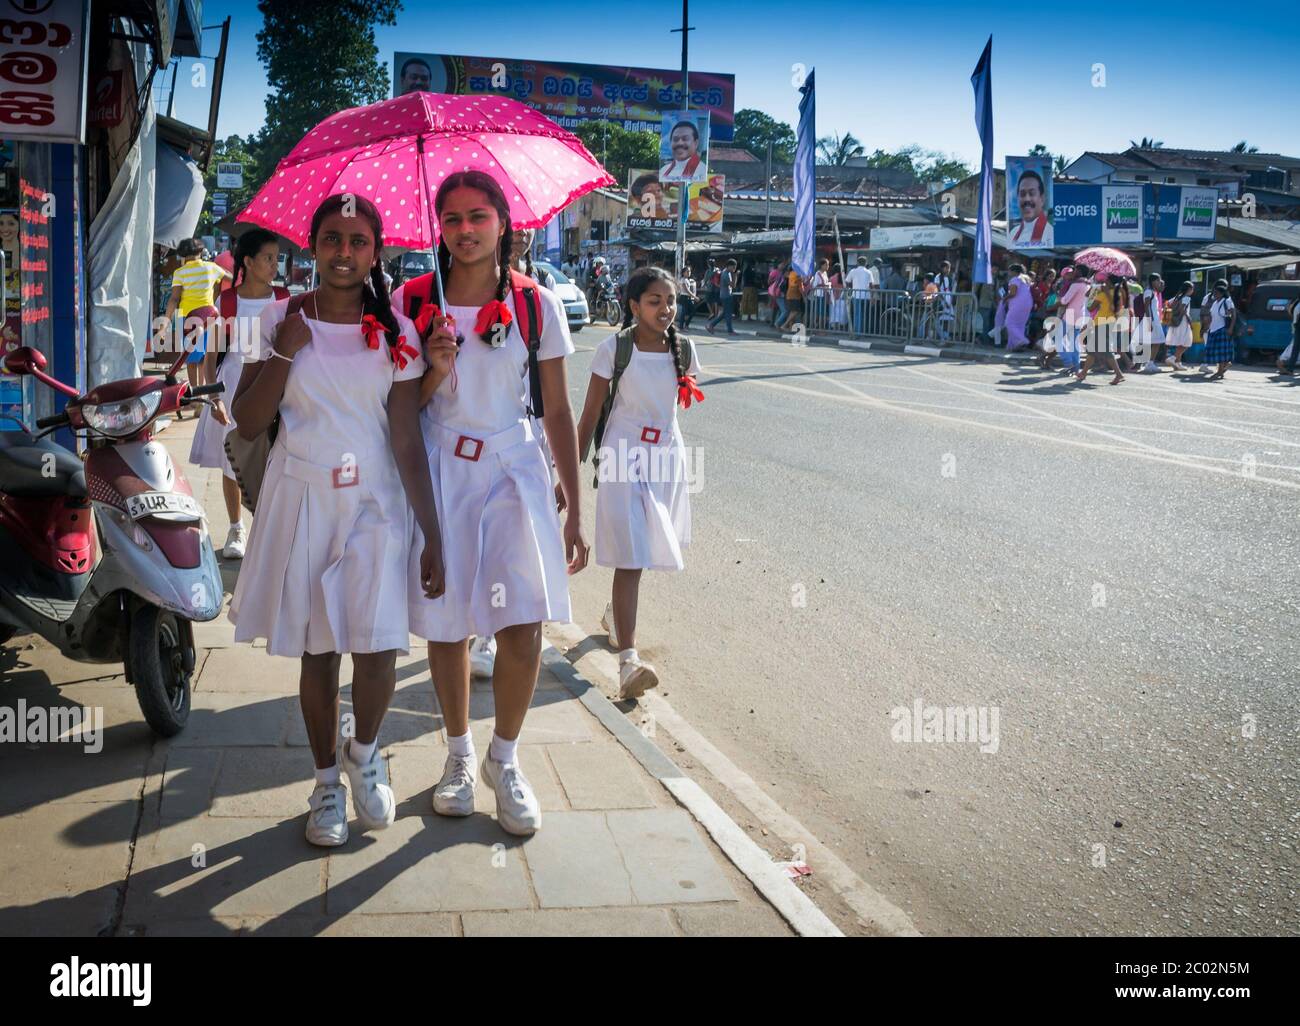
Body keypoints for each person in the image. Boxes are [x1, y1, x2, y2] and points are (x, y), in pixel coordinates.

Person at [228, 195, 441, 847]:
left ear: (376, 251)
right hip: (305, 501)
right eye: (330, 239)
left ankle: (366, 750)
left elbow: (405, 436)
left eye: (356, 240)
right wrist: (287, 352)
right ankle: (325, 784)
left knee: (377, 646)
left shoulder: (398, 332)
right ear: (312, 246)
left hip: (377, 503)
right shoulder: (279, 318)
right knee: (319, 650)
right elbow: (246, 419)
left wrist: (433, 531)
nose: (343, 252)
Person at [397, 170, 587, 837]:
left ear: (503, 223)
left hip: (514, 471)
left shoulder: (537, 304)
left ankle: (504, 759)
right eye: (451, 219)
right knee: (447, 623)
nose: (466, 230)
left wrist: (577, 510)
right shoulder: (414, 300)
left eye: (479, 216)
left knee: (522, 623)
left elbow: (558, 409)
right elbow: (393, 411)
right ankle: (457, 754)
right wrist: (433, 370)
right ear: (437, 228)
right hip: (442, 471)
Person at [575, 267, 703, 699]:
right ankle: (628, 663)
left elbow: (675, 404)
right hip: (621, 453)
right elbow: (590, 414)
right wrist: (567, 477)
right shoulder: (614, 348)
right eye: (654, 301)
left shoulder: (683, 350)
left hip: (666, 455)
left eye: (670, 301)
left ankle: (615, 617)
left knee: (643, 550)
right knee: (629, 557)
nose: (666, 309)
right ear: (634, 306)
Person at [188, 228, 286, 559]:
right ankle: (235, 528)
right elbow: (212, 354)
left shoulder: (284, 299)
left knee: (272, 458)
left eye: (277, 258)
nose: (275, 265)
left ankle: (265, 528)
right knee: (232, 460)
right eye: (268, 258)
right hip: (231, 387)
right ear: (248, 261)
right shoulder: (228, 300)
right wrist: (213, 396)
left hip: (273, 390)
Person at [164, 239, 231, 400]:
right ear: (201, 252)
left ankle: (195, 398)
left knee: (191, 359)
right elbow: (231, 278)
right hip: (209, 318)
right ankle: (204, 395)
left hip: (188, 318)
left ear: (182, 255)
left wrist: (166, 320)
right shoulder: (212, 268)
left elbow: (174, 298)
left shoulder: (180, 273)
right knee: (204, 358)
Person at [1076, 271, 1124, 385]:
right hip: (1109, 322)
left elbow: (1090, 308)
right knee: (1092, 349)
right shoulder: (1118, 294)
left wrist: (1094, 292)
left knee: (1106, 349)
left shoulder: (1103, 294)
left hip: (1102, 322)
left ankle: (1119, 374)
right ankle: (1083, 372)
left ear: (1108, 281)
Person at [1055, 264, 1092, 373]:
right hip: (1081, 314)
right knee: (1074, 342)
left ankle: (1068, 362)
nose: (1073, 272)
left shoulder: (1076, 284)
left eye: (1075, 270)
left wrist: (1059, 297)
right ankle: (1076, 367)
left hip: (1071, 314)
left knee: (1057, 338)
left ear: (1079, 272)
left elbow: (1065, 300)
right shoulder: (1088, 284)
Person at [1009, 169, 1054, 247]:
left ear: (1042, 199)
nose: (1027, 199)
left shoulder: (1050, 234)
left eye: (1032, 193)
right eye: (1022, 194)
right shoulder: (1013, 233)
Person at [1203, 281, 1237, 380]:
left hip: (1222, 329)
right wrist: (1206, 326)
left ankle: (1220, 372)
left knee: (1221, 353)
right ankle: (1222, 369)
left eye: (1216, 293)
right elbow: (1211, 316)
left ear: (1222, 293)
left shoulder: (1227, 301)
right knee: (1217, 352)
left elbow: (1233, 315)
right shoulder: (1215, 303)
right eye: (1214, 293)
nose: (1214, 295)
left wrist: (1230, 328)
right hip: (1213, 330)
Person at [1163, 281, 1195, 370]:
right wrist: (1189, 319)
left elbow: (1166, 304)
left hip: (1175, 321)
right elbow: (1183, 309)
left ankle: (1178, 363)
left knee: (1181, 343)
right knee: (1187, 342)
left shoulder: (1176, 297)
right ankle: (1173, 358)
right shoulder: (1187, 298)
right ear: (1189, 289)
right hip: (1183, 322)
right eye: (1192, 288)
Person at [1137, 274, 1165, 373]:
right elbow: (1146, 307)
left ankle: (1149, 362)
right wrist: (1149, 321)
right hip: (1152, 320)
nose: (1159, 283)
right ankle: (1148, 363)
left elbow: (1161, 289)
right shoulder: (1148, 291)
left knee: (1154, 341)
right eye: (1158, 281)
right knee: (1155, 341)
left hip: (1155, 319)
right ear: (1153, 281)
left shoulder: (1153, 292)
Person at [1003, 263, 1033, 351]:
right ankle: (1013, 346)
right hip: (1027, 303)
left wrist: (1005, 298)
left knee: (1009, 322)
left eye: (1009, 271)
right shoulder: (1026, 279)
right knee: (1020, 325)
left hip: (1018, 304)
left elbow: (1013, 293)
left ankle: (1022, 340)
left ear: (1014, 271)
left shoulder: (1015, 279)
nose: (1008, 272)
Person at [707, 259, 739, 334]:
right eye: (733, 267)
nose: (734, 269)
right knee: (728, 314)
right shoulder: (726, 274)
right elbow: (733, 285)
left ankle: (711, 325)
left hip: (724, 295)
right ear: (729, 266)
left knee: (724, 313)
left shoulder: (725, 272)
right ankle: (730, 330)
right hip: (726, 296)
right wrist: (736, 275)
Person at [845, 256, 873, 335]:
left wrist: (852, 287)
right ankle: (862, 332)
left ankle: (856, 332)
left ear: (857, 263)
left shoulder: (853, 271)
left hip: (856, 295)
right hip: (866, 296)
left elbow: (847, 281)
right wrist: (872, 296)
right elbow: (871, 285)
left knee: (857, 314)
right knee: (864, 315)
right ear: (866, 263)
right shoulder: (868, 272)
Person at [780, 263, 805, 331]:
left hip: (789, 294)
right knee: (795, 311)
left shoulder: (791, 273)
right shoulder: (798, 275)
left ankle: (790, 327)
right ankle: (784, 325)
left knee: (792, 311)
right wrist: (804, 297)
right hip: (795, 295)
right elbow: (800, 287)